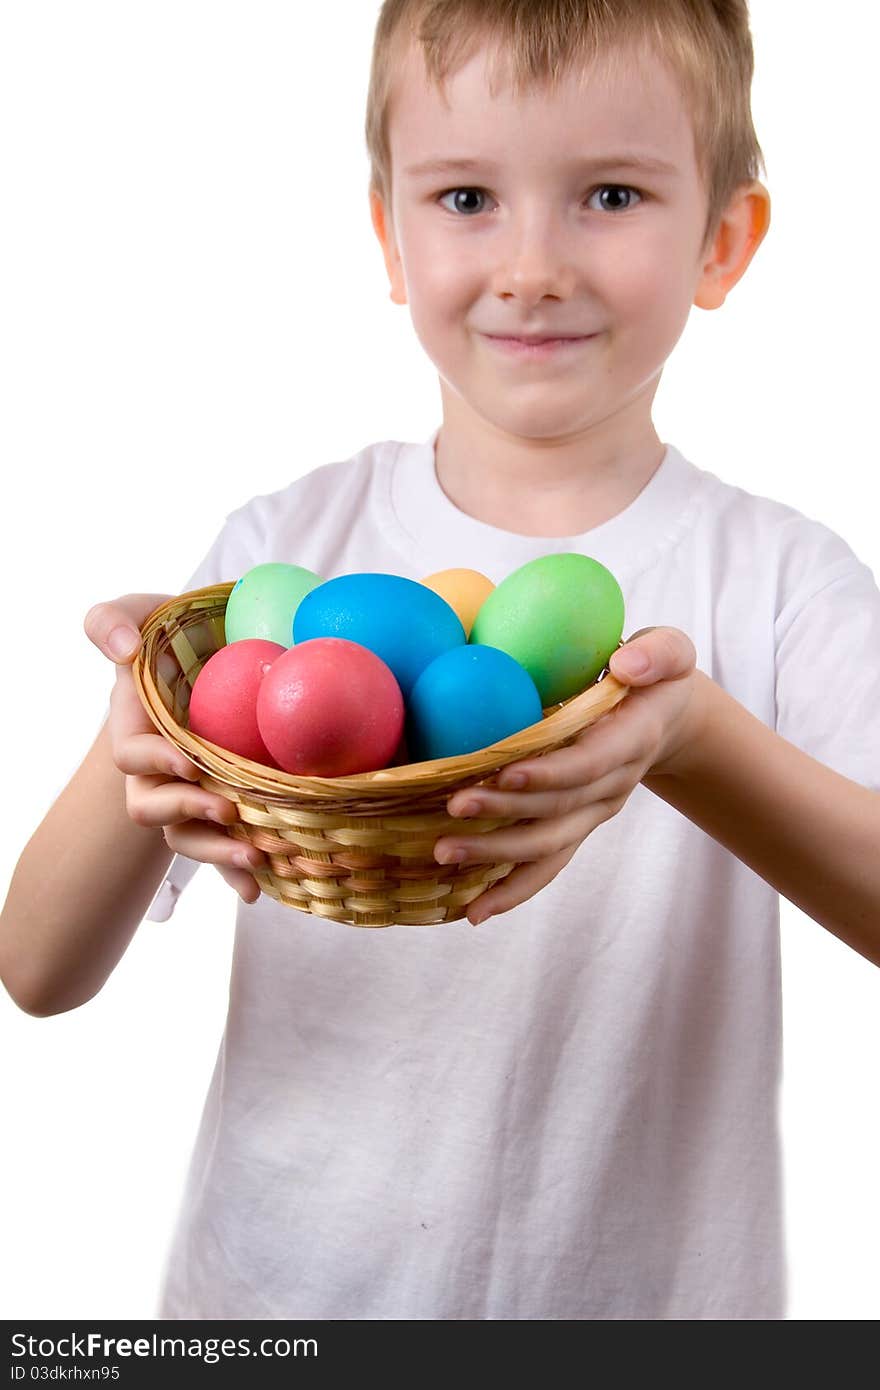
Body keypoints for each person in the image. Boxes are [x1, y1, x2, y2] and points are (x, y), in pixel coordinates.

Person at [1, 0, 878, 1321]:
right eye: (466, 195)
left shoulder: (780, 581)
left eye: (611, 194)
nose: (531, 264)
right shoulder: (281, 559)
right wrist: (134, 733)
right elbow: (39, 970)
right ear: (388, 238)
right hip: (276, 1314)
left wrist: (691, 737)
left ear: (725, 240)